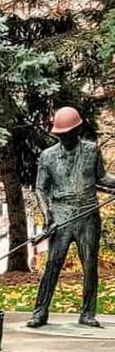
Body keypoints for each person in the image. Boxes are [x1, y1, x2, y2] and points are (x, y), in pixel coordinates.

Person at [27, 106, 115, 329]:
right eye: (60, 134)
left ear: (77, 130)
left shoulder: (92, 150)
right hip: (61, 215)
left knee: (90, 265)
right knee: (53, 265)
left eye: (68, 133)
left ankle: (87, 313)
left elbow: (102, 177)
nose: (64, 137)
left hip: (88, 214)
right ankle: (40, 312)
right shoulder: (47, 156)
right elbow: (40, 189)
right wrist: (47, 215)